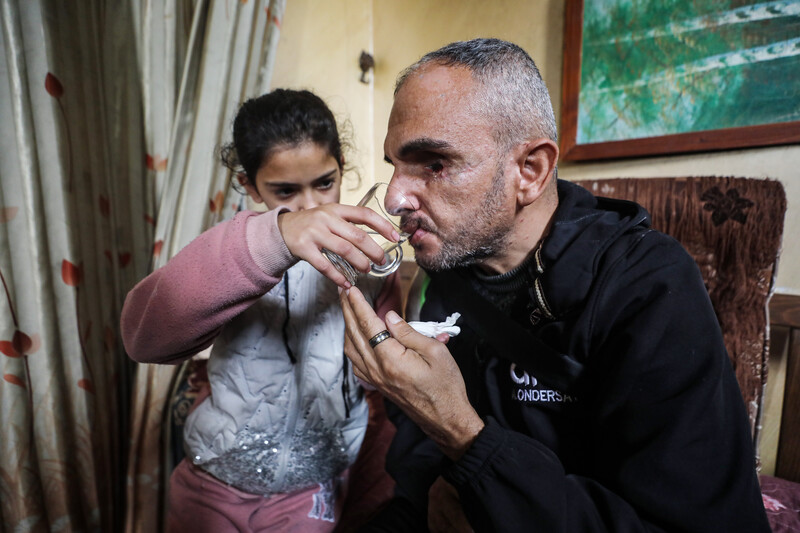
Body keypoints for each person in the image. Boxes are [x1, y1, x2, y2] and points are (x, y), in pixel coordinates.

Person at [338, 38, 771, 532]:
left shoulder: (649, 287)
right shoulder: (445, 269)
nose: (394, 198)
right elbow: (417, 458)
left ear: (530, 170)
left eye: (435, 163)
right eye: (395, 165)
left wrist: (461, 433)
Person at [121, 89, 400, 532]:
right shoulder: (229, 254)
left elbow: (378, 389)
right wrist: (274, 240)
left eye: (324, 183)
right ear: (249, 185)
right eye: (285, 191)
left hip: (312, 491)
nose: (311, 207)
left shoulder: (370, 264)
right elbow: (143, 339)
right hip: (211, 483)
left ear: (342, 166)